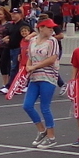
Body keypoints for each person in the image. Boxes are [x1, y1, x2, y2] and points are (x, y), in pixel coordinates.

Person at [20, 19, 63, 147]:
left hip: (48, 76)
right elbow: (30, 56)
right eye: (49, 27)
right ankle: (41, 130)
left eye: (52, 28)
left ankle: (51, 136)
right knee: (27, 105)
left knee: (45, 107)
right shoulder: (33, 41)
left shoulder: (52, 41)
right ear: (41, 28)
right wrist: (28, 66)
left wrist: (34, 67)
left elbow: (52, 58)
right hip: (35, 77)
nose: (51, 30)